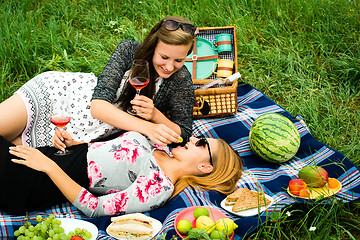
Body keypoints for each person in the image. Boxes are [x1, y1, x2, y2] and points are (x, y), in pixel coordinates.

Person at [0, 15, 196, 148]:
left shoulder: (181, 79)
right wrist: (147, 127)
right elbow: (98, 107)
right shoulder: (129, 51)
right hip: (59, 97)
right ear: (153, 47)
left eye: (179, 60)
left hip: (82, 135)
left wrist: (155, 115)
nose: (170, 67)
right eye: (164, 57)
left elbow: (183, 133)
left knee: (7, 155)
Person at [0, 130, 243, 218]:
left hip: (32, 181)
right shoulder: (159, 146)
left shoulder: (159, 188)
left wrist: (49, 166)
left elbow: (94, 207)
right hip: (41, 158)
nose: (193, 139)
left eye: (201, 143)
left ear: (205, 168)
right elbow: (107, 156)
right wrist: (75, 144)